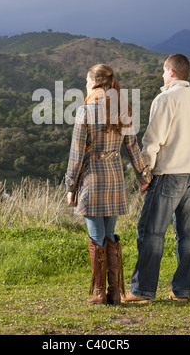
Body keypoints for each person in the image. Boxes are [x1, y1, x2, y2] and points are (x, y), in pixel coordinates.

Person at [123, 53, 190, 304]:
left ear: (171, 72)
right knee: (186, 235)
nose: (162, 75)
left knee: (151, 232)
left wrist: (144, 172)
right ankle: (182, 290)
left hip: (167, 174)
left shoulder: (165, 98)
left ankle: (142, 291)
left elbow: (153, 140)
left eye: (163, 71)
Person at [65, 64, 151, 305]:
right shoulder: (123, 109)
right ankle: (115, 293)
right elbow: (132, 148)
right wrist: (144, 178)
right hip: (115, 180)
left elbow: (76, 154)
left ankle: (100, 293)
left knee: (97, 237)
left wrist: (71, 186)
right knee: (110, 235)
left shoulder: (86, 110)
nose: (85, 84)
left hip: (92, 180)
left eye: (86, 80)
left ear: (94, 82)